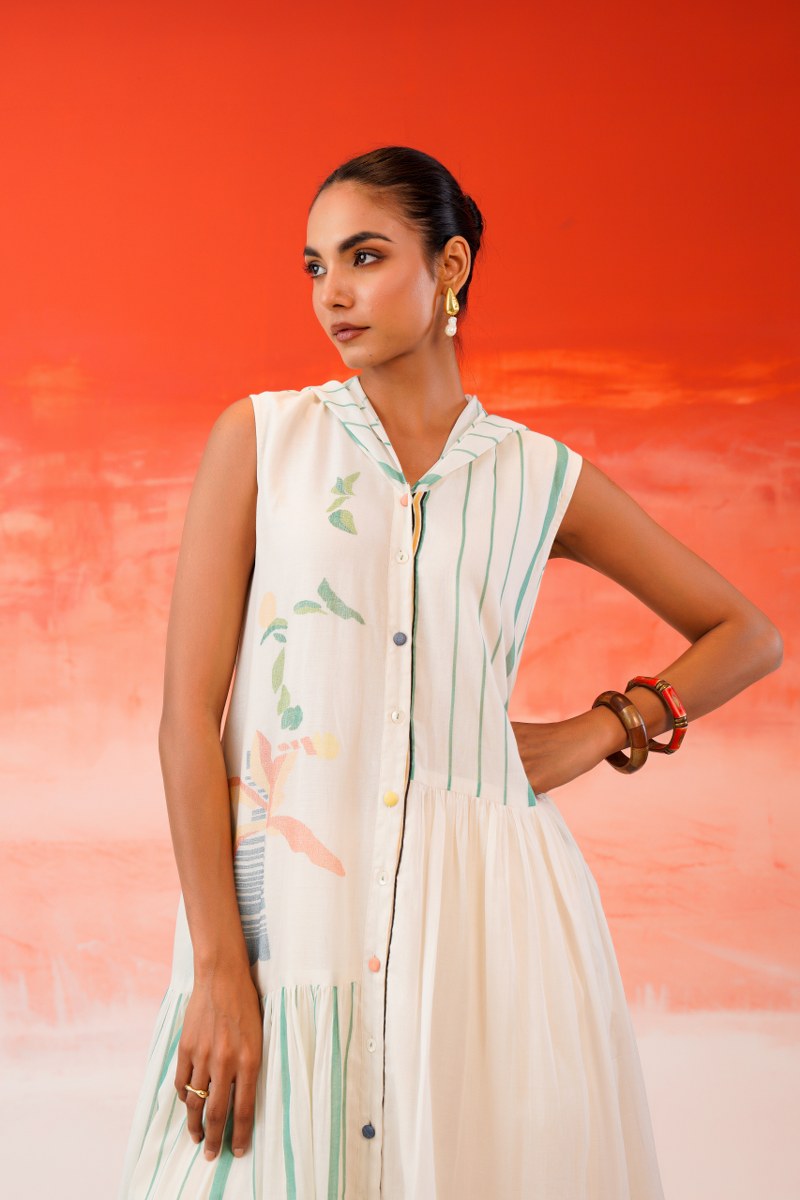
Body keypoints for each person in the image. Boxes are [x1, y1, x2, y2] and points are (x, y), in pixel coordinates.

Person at [117, 145, 783, 1199]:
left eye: (365, 256)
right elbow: (187, 722)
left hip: (484, 923)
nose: (331, 292)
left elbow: (746, 634)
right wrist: (217, 968)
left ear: (451, 266)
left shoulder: (535, 476)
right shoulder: (263, 441)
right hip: (295, 911)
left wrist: (598, 731)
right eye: (314, 266)